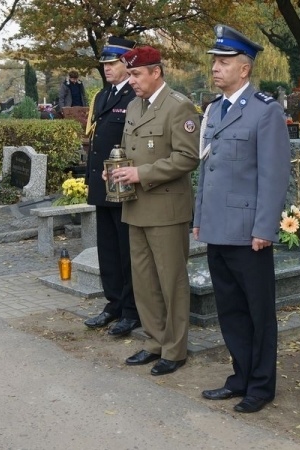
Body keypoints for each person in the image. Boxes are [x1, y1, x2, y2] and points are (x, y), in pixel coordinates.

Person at [192, 24, 290, 413]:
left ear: (244, 68)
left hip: (249, 233)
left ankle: (261, 386)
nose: (215, 68)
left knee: (258, 313)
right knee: (230, 310)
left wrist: (265, 228)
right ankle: (240, 378)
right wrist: (199, 217)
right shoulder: (214, 109)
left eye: (223, 61)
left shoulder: (265, 111)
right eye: (214, 61)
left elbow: (274, 176)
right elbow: (207, 170)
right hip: (217, 228)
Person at [109, 45, 199, 376]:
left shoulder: (178, 106)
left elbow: (187, 157)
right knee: (144, 281)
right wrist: (116, 170)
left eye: (135, 74)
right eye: (129, 74)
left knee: (170, 281)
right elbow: (128, 150)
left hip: (166, 209)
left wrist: (140, 174)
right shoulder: (135, 106)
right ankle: (155, 340)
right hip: (136, 206)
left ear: (156, 72)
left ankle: (175, 349)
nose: (131, 80)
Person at [83, 37, 141, 337]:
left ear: (127, 64)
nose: (107, 68)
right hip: (101, 184)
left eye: (113, 63)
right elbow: (95, 140)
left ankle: (132, 310)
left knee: (126, 251)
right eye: (104, 64)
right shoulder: (103, 95)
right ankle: (114, 304)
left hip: (123, 186)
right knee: (107, 250)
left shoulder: (135, 95)